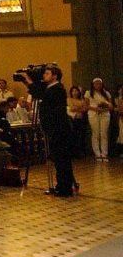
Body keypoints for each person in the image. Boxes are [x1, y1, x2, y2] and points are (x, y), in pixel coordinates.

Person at [22, 65, 76, 197]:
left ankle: (64, 189)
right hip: (56, 129)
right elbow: (39, 92)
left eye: (47, 73)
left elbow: (40, 93)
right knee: (59, 160)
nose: (44, 76)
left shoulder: (57, 89)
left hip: (59, 130)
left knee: (61, 160)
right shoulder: (50, 88)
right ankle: (62, 186)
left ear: (55, 76)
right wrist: (28, 82)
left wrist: (29, 81)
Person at [84, 78, 113, 161]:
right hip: (93, 114)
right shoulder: (88, 93)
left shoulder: (106, 93)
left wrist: (104, 107)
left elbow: (110, 106)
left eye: (99, 83)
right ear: (93, 84)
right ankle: (97, 154)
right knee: (95, 133)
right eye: (96, 84)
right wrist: (96, 109)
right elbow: (86, 106)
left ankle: (104, 153)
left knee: (104, 133)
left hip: (105, 114)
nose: (98, 85)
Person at [67, 86, 89, 158]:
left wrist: (77, 108)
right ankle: (74, 153)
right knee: (74, 136)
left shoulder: (82, 100)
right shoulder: (69, 99)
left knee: (81, 136)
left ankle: (81, 152)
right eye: (73, 91)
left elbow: (85, 109)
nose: (75, 93)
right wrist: (80, 108)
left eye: (76, 91)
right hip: (73, 120)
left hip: (81, 120)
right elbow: (72, 108)